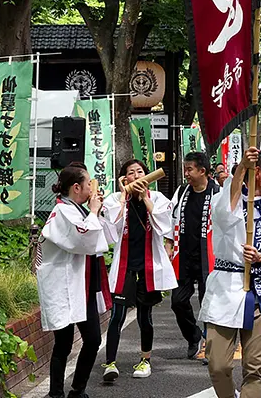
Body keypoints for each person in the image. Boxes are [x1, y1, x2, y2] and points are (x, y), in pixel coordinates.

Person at [199, 147, 261, 398]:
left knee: (255, 369)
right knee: (218, 365)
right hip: (226, 290)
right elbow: (223, 214)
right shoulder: (227, 199)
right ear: (258, 173)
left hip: (260, 292)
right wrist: (241, 168)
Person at [36, 164, 110, 398]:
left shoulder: (76, 209)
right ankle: (56, 393)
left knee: (93, 339)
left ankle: (78, 389)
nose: (91, 186)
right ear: (76, 187)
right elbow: (84, 239)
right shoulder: (63, 211)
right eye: (88, 183)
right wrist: (94, 211)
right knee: (64, 343)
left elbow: (99, 236)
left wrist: (96, 211)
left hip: (82, 285)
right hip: (63, 285)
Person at [99, 160, 176, 382]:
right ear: (124, 178)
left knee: (145, 316)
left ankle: (145, 360)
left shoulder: (158, 198)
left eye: (140, 172)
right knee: (117, 316)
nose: (136, 176)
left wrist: (144, 199)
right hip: (125, 265)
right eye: (131, 173)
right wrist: (124, 197)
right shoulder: (115, 199)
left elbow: (164, 225)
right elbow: (111, 228)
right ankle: (110, 363)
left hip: (149, 266)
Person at [169, 151, 221, 361]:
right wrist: (169, 244)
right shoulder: (182, 191)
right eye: (185, 169)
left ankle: (211, 347)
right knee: (177, 301)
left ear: (203, 171)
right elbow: (170, 218)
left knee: (208, 304)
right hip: (184, 257)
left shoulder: (218, 193)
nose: (186, 173)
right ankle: (193, 336)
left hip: (209, 257)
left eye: (190, 169)